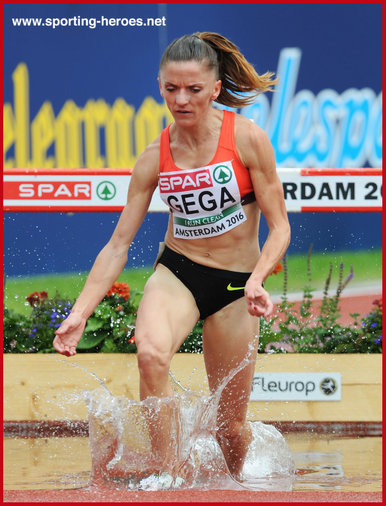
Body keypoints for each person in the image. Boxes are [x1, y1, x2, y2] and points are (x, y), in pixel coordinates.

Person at [53, 32, 290, 482]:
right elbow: (118, 244)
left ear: (216, 89)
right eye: (171, 89)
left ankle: (232, 484)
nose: (181, 100)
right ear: (160, 85)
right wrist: (80, 313)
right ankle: (170, 476)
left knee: (230, 429)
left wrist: (258, 278)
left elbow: (280, 227)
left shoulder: (247, 140)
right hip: (178, 271)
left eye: (194, 89)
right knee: (151, 356)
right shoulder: (153, 158)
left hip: (237, 282)